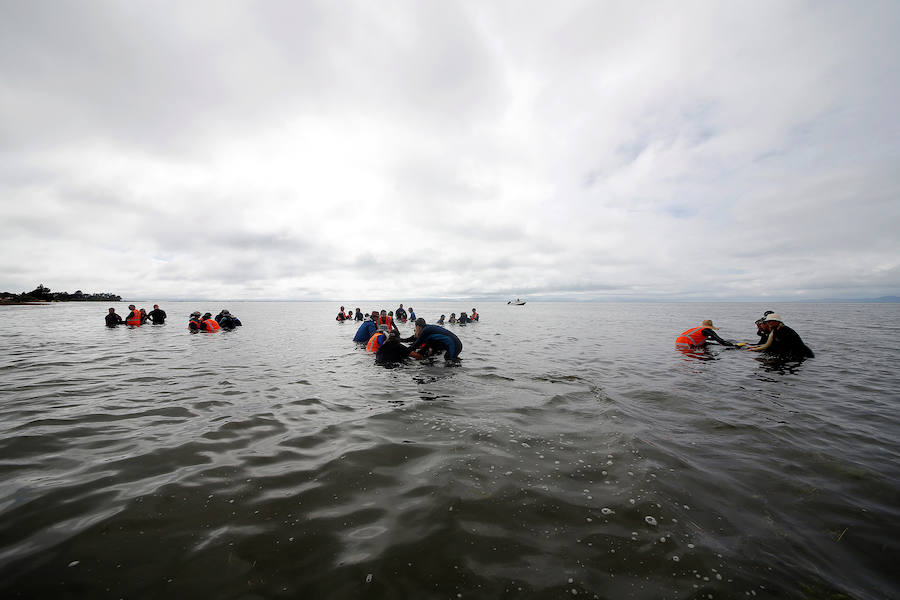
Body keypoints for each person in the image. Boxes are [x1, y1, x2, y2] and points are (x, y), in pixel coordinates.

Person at [746, 314, 814, 358]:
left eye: (770, 321)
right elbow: (767, 345)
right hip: (793, 354)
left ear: (777, 322)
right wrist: (752, 349)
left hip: (804, 354)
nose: (768, 323)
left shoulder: (784, 330)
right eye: (767, 322)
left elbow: (777, 346)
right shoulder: (774, 331)